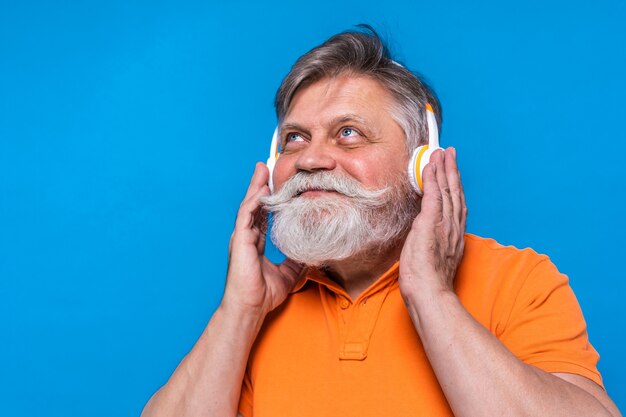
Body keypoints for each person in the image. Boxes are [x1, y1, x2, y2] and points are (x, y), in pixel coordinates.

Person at [141, 26, 621, 417]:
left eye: (348, 133)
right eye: (294, 138)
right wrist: (239, 311)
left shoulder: (520, 282)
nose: (310, 160)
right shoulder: (259, 312)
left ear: (422, 164)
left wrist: (431, 297)